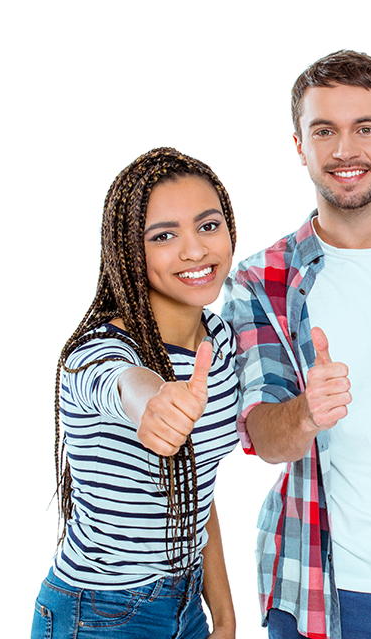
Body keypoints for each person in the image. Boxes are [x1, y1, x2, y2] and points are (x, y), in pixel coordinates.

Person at [222, 50, 371, 639]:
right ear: (299, 144)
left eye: (365, 128)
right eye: (323, 130)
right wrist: (306, 411)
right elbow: (261, 434)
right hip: (321, 586)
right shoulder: (260, 280)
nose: (344, 149)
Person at [33, 147, 240, 639]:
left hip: (187, 607)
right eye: (164, 236)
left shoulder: (220, 340)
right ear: (128, 249)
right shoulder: (94, 352)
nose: (195, 250)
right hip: (99, 613)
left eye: (208, 226)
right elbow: (121, 381)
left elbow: (197, 489)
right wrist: (151, 399)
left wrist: (225, 617)